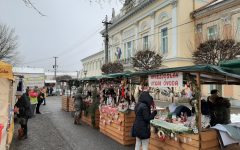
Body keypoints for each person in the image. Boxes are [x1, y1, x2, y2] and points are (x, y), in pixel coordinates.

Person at [132, 83, 157, 150]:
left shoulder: (138, 104)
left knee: (137, 144)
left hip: (137, 127)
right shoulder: (145, 106)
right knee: (145, 146)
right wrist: (154, 113)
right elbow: (147, 118)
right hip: (143, 129)